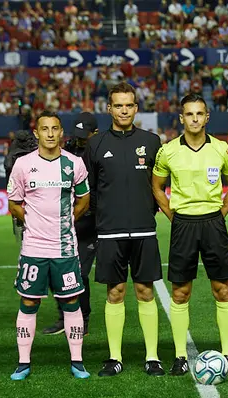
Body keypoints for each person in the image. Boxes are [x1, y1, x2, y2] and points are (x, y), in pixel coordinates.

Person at [151, 93, 228, 376]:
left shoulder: (222, 149)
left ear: (206, 117)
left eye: (199, 114)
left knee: (222, 289)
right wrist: (171, 215)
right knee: (180, 292)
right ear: (181, 118)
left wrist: (222, 212)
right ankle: (180, 356)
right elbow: (156, 186)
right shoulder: (168, 151)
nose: (194, 119)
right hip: (184, 225)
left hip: (213, 223)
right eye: (188, 114)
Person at [84, 82, 164, 377]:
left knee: (145, 291)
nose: (124, 110)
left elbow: (160, 186)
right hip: (109, 231)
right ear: (109, 109)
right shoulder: (96, 144)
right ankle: (114, 357)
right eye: (118, 105)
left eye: (129, 105)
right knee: (115, 293)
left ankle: (152, 357)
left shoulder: (152, 141)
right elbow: (88, 190)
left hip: (144, 229)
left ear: (136, 107)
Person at [7, 111, 92, 380]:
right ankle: (23, 362)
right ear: (37, 133)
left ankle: (77, 361)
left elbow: (84, 199)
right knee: (29, 301)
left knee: (71, 301)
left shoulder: (74, 163)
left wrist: (66, 220)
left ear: (61, 132)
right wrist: (31, 220)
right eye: (45, 129)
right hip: (33, 248)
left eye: (55, 128)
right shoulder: (22, 164)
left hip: (65, 248)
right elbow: (13, 203)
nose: (51, 133)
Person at [42, 112, 99, 337]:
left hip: (94, 221)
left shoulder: (101, 152)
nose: (80, 139)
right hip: (68, 220)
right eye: (77, 135)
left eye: (84, 136)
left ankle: (82, 318)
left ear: (95, 133)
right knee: (54, 272)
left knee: (81, 273)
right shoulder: (66, 151)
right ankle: (64, 316)